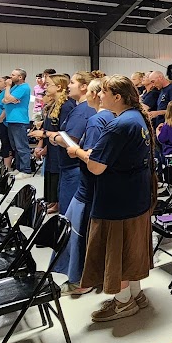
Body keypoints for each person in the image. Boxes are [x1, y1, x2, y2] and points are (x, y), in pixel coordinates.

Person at [67, 75, 154, 322]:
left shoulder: (118, 125)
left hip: (117, 198)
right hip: (135, 194)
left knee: (118, 249)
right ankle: (135, 295)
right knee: (132, 246)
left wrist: (78, 152)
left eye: (103, 92)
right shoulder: (136, 118)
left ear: (117, 97)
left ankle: (123, 302)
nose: (99, 96)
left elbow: (96, 167)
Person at [56, 77, 114, 295]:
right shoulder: (109, 117)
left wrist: (75, 151)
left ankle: (83, 279)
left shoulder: (96, 121)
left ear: (96, 94)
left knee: (81, 231)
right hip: (97, 186)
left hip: (89, 185)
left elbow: (93, 158)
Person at [30, 74, 73, 213]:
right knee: (50, 173)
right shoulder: (53, 105)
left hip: (59, 147)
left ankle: (58, 202)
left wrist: (44, 136)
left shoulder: (66, 106)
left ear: (59, 87)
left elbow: (63, 132)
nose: (45, 87)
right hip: (52, 146)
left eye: (48, 85)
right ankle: (52, 200)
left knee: (56, 174)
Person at [55, 72, 95, 216]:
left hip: (74, 168)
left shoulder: (82, 111)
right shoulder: (83, 108)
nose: (69, 86)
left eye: (72, 83)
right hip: (74, 167)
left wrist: (54, 137)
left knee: (70, 213)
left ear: (84, 86)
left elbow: (72, 141)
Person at [3, 68, 32, 176]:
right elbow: (4, 100)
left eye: (13, 75)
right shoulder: (16, 87)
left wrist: (8, 87)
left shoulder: (24, 87)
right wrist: (9, 98)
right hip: (11, 119)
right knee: (15, 147)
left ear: (20, 77)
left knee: (21, 146)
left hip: (19, 120)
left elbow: (8, 98)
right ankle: (19, 168)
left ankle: (26, 170)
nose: (11, 77)